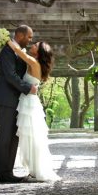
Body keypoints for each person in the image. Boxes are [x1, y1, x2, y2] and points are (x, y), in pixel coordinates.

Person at [7, 39, 61, 182]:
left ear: (39, 52)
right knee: (30, 137)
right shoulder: (35, 63)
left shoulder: (34, 62)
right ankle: (33, 169)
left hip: (29, 104)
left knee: (31, 137)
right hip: (29, 101)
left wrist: (5, 37)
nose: (33, 45)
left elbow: (18, 52)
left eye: (36, 45)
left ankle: (36, 170)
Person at [0, 25, 37, 183]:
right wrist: (28, 88)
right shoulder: (7, 51)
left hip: (16, 101)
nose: (30, 40)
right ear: (19, 35)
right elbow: (10, 76)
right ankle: (2, 174)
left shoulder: (17, 50)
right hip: (6, 100)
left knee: (13, 137)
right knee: (4, 137)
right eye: (29, 37)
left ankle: (7, 172)